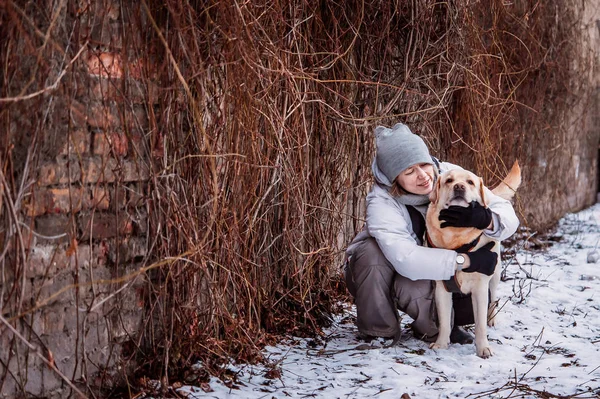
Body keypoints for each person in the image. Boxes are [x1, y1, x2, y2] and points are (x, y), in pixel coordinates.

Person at [344, 123, 519, 344]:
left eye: (424, 164)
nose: (423, 176)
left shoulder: (450, 176)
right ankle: (379, 332)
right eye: (409, 171)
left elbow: (506, 213)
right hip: (385, 273)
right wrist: (466, 260)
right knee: (372, 253)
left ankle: (437, 327)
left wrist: (486, 219)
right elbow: (406, 259)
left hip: (437, 274)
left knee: (432, 289)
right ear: (393, 179)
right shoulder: (382, 203)